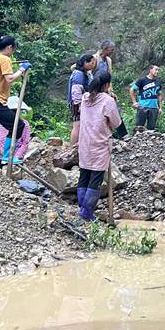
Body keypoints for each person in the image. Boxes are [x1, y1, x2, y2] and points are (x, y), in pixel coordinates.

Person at [77, 71, 121, 221]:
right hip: (100, 144)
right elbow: (116, 123)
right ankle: (86, 212)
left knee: (84, 175)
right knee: (95, 179)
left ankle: (81, 206)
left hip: (85, 142)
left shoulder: (85, 98)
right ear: (107, 85)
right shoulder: (108, 101)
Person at [92, 40, 129, 140]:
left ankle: (123, 134)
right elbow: (78, 68)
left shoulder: (108, 60)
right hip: (95, 91)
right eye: (111, 50)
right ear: (104, 49)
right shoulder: (95, 59)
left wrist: (111, 91)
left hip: (105, 90)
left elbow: (109, 77)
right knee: (99, 114)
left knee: (115, 109)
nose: (112, 52)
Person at [68, 53, 96, 148]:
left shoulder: (86, 73)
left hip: (83, 102)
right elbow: (76, 92)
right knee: (77, 125)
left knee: (81, 125)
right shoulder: (78, 75)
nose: (93, 65)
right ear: (85, 62)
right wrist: (79, 105)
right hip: (77, 103)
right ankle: (72, 147)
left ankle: (80, 146)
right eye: (92, 63)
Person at [0, 96, 31, 166]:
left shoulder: (24, 124)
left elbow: (25, 143)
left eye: (15, 111)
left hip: (15, 159)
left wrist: (17, 156)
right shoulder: (0, 122)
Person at [129, 65, 163, 131]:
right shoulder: (142, 80)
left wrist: (160, 107)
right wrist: (134, 102)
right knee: (139, 128)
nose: (157, 71)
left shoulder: (158, 82)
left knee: (151, 129)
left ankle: (149, 141)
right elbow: (132, 89)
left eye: (158, 70)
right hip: (142, 106)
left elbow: (159, 95)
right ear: (150, 70)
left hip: (154, 107)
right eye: (156, 69)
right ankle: (137, 140)